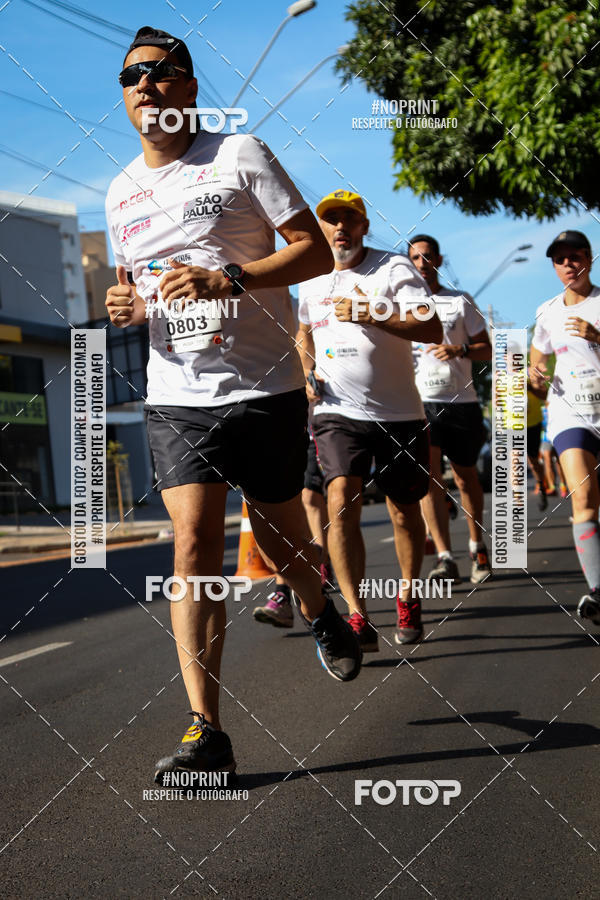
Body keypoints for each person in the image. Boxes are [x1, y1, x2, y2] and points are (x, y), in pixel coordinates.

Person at [105, 28, 362, 782]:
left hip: (263, 387)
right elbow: (135, 284)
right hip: (175, 395)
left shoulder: (238, 153)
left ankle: (320, 610)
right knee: (192, 549)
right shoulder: (120, 190)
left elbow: (312, 250)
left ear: (189, 88)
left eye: (160, 73)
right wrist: (123, 304)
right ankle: (206, 732)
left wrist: (232, 280)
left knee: (281, 538)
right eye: (130, 77)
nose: (144, 86)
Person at [297, 190, 442, 648]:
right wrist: (306, 369)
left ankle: (408, 594)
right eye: (331, 219)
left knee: (403, 512)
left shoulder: (393, 268)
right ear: (322, 229)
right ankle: (358, 615)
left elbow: (430, 326)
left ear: (363, 227)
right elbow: (303, 330)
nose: (340, 226)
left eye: (349, 219)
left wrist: (372, 311)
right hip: (336, 411)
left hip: (399, 413)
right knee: (340, 499)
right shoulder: (312, 280)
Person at [407, 235, 493, 586]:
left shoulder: (459, 301)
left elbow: (486, 349)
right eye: (415, 258)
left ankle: (477, 546)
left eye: (427, 257)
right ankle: (445, 556)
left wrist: (459, 350)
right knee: (430, 480)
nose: (422, 264)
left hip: (461, 402)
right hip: (418, 403)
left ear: (439, 260)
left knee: (464, 477)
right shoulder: (400, 306)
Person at [530, 229, 600, 627]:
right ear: (554, 267)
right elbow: (536, 364)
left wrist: (597, 337)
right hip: (569, 414)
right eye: (560, 259)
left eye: (576, 256)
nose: (569, 264)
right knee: (584, 497)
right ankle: (597, 590)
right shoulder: (547, 312)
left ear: (589, 258)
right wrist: (535, 375)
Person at [253, 433, 337, 627]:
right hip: (269, 439)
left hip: (309, 434)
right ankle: (283, 596)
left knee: (309, 497)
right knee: (285, 518)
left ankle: (320, 562)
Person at [526, 381, 548, 511]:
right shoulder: (499, 375)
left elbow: (545, 395)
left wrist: (530, 387)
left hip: (532, 424)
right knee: (514, 459)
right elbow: (497, 402)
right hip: (512, 424)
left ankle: (541, 486)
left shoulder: (531, 373)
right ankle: (517, 500)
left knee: (533, 461)